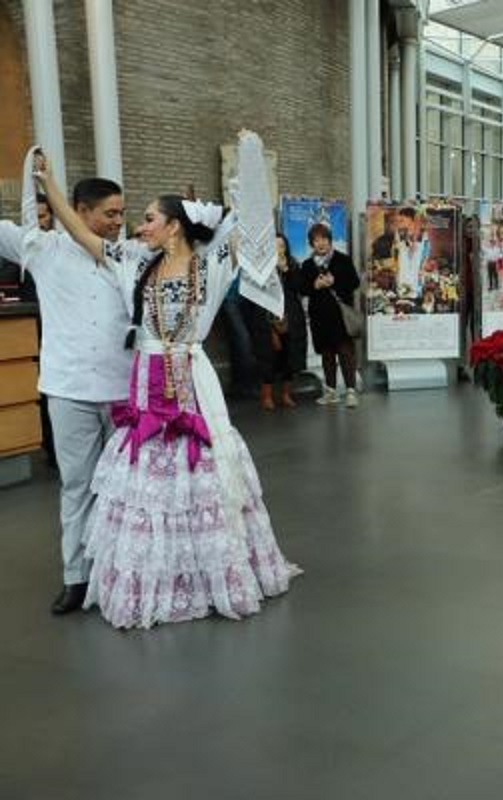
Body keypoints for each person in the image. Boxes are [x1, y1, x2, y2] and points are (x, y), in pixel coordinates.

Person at [33, 131, 300, 629]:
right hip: (145, 379)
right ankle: (152, 575)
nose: (139, 225)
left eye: (150, 218)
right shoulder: (134, 262)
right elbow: (79, 233)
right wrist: (50, 186)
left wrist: (247, 163)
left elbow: (249, 221)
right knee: (150, 482)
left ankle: (202, 573)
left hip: (191, 376)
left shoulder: (213, 266)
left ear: (174, 226)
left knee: (198, 475)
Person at [0, 162, 133, 616]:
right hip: (69, 389)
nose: (119, 222)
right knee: (76, 485)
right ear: (79, 211)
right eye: (110, 214)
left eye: (122, 214)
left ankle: (118, 572)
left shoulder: (126, 256)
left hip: (122, 392)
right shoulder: (43, 248)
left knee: (121, 488)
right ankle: (75, 578)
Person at [244, 233, 306, 410]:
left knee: (289, 357)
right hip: (266, 318)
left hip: (290, 317)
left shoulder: (293, 264)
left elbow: (299, 288)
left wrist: (286, 270)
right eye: (274, 246)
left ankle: (286, 395)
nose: (279, 249)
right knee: (267, 357)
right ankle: (267, 396)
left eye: (282, 246)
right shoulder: (261, 269)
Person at [302, 222, 360, 408]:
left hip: (340, 317)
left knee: (345, 353)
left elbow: (355, 282)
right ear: (312, 243)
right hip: (320, 318)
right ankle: (331, 392)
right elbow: (302, 288)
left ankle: (351, 391)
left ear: (330, 240)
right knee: (327, 354)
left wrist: (336, 281)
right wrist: (314, 286)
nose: (321, 243)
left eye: (324, 239)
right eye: (316, 240)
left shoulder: (342, 259)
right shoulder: (307, 264)